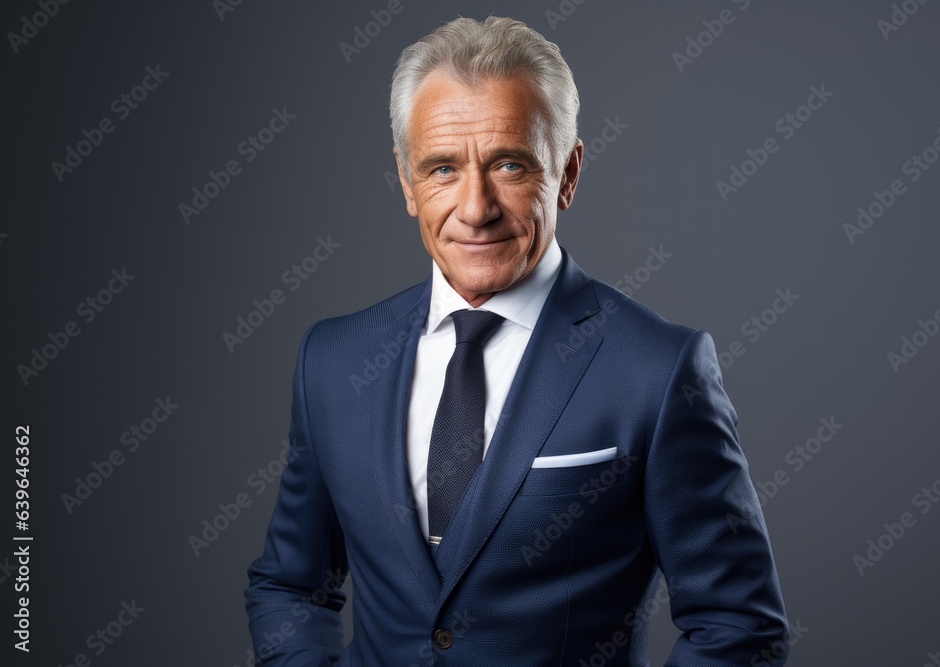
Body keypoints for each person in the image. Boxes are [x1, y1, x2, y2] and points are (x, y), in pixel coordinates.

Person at [245, 16, 788, 666]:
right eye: (442, 168)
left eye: (509, 164)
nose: (476, 208)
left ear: (569, 172)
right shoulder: (332, 362)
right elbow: (290, 584)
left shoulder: (659, 369)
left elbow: (738, 627)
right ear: (406, 182)